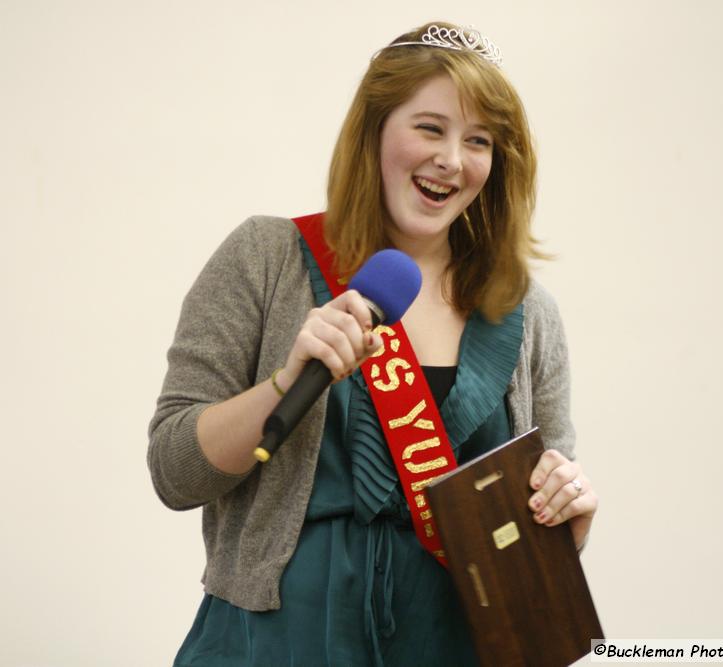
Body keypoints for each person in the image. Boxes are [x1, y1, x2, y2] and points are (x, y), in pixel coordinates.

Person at [147, 21, 598, 666]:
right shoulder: (266, 258)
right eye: (431, 127)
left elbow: (528, 523)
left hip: (454, 646)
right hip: (278, 644)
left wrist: (566, 521)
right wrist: (283, 383)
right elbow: (174, 471)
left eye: (479, 140)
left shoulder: (527, 313)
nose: (452, 159)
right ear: (376, 129)